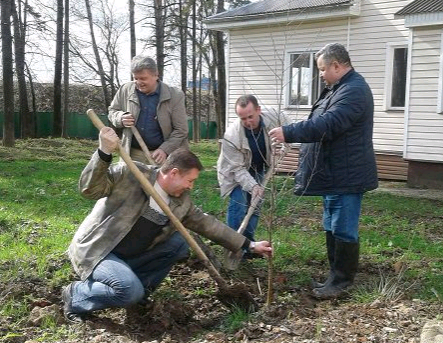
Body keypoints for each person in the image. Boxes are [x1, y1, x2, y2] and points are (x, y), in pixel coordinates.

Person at [61, 127, 272, 323]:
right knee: (127, 290)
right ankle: (76, 295)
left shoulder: (180, 202)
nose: (191, 186)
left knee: (179, 244)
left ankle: (139, 295)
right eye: (190, 180)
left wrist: (249, 245)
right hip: (100, 250)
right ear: (173, 173)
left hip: (129, 257)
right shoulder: (131, 174)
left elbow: (209, 224)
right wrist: (103, 153)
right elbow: (89, 189)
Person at [269, 43, 377, 299]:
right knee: (331, 225)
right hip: (334, 173)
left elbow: (329, 124)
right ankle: (334, 276)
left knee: (343, 228)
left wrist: (290, 132)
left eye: (321, 69)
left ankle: (341, 282)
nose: (320, 74)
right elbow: (319, 123)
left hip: (346, 175)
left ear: (336, 66)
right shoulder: (337, 89)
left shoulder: (354, 91)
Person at [217, 95, 291, 257]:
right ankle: (234, 247)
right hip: (234, 173)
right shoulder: (231, 136)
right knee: (240, 205)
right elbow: (237, 170)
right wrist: (253, 186)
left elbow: (289, 125)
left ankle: (249, 246)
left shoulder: (274, 117)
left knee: (255, 208)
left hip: (259, 168)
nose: (248, 122)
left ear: (258, 110)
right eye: (243, 118)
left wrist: (287, 139)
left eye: (250, 116)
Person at [108, 56, 188, 165]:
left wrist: (165, 149)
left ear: (156, 75)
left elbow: (181, 130)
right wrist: (120, 118)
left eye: (143, 78)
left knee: (158, 183)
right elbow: (112, 111)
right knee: (129, 182)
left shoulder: (175, 95)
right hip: (132, 155)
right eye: (135, 78)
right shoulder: (125, 90)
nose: (138, 82)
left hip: (163, 157)